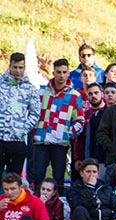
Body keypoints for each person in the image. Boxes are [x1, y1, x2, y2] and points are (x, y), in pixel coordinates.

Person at [30, 58, 85, 189]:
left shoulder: (74, 95)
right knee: (38, 176)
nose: (61, 75)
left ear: (68, 73)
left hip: (60, 143)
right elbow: (32, 114)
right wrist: (32, 129)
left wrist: (68, 133)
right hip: (41, 140)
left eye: (64, 72)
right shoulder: (42, 92)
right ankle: (38, 205)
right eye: (58, 72)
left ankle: (58, 205)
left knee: (59, 178)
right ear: (53, 72)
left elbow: (80, 120)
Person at [0, 53, 40, 178]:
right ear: (10, 66)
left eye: (21, 68)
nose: (18, 71)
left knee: (14, 178)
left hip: (17, 140)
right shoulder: (1, 85)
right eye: (15, 67)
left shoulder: (30, 88)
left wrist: (24, 129)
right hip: (0, 138)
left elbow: (35, 112)